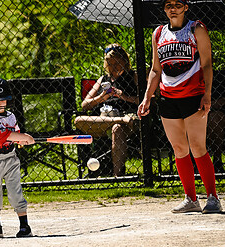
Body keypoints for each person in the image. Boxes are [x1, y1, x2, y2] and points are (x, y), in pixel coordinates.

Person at [138, 0, 222, 213]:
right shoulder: (158, 33)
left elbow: (206, 64)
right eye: (168, 5)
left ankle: (212, 197)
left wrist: (207, 94)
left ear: (186, 7)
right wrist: (147, 97)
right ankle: (191, 198)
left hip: (193, 95)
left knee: (197, 146)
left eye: (177, 4)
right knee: (178, 148)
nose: (172, 8)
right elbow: (156, 69)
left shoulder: (196, 28)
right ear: (164, 9)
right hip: (168, 97)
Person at [0, 77, 35, 238]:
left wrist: (21, 141)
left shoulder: (11, 116)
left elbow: (14, 135)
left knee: (15, 192)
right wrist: (24, 136)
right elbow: (2, 136)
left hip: (11, 159)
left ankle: (25, 226)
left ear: (7, 100)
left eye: (1, 100)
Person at [74, 43, 139, 176]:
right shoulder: (103, 79)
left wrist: (123, 96)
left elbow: (146, 100)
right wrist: (102, 97)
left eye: (116, 63)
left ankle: (117, 176)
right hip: (105, 118)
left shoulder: (133, 76)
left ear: (124, 61)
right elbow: (85, 105)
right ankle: (121, 120)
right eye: (109, 63)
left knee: (117, 128)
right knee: (78, 120)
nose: (113, 67)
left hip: (127, 118)